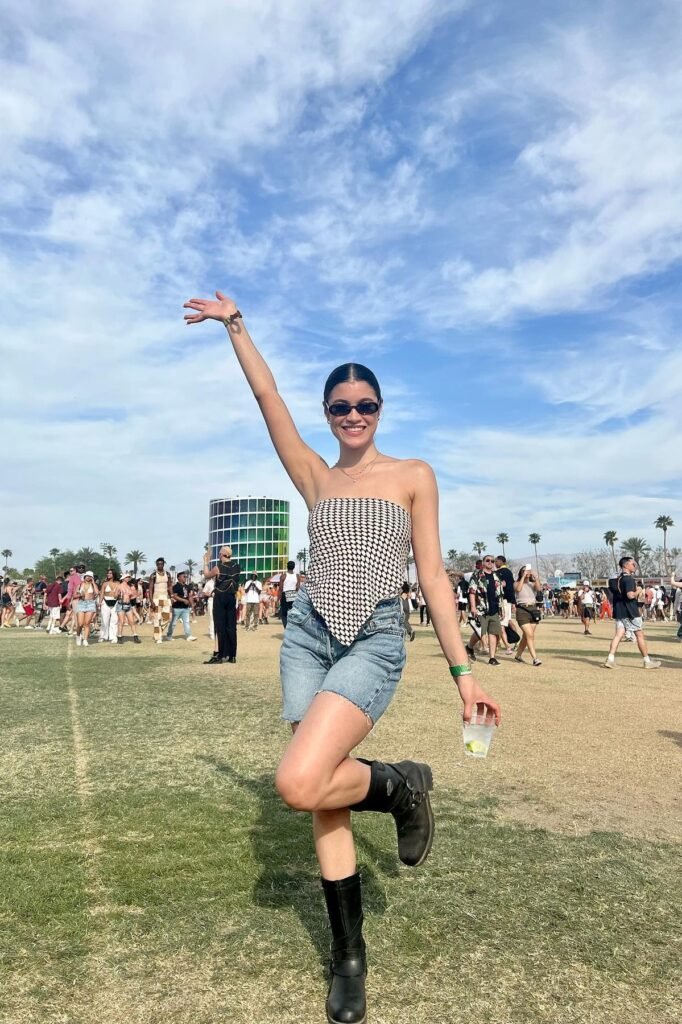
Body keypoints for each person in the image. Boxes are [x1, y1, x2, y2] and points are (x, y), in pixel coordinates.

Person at [183, 290, 500, 1024]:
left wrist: (464, 673)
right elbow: (267, 398)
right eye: (339, 408)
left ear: (381, 409)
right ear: (328, 416)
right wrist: (236, 327)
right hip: (307, 638)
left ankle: (396, 786)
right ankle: (349, 953)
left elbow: (431, 575)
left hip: (375, 637)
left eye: (364, 405)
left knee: (300, 780)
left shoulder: (413, 475)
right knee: (320, 790)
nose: (352, 416)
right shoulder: (314, 476)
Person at [603, 557, 661, 669]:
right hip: (630, 611)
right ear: (625, 565)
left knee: (619, 634)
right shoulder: (628, 579)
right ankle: (647, 661)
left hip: (620, 611)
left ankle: (610, 659)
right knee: (639, 635)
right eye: (632, 563)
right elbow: (630, 595)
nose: (635, 565)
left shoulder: (618, 579)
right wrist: (639, 589)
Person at [202, 545, 241, 664]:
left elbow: (206, 575)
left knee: (220, 626)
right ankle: (232, 655)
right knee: (231, 627)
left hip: (220, 597)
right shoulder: (237, 566)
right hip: (231, 597)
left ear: (222, 555)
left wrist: (205, 562)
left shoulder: (218, 567)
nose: (218, 556)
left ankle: (219, 654)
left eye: (219, 554)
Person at [466, 555, 506, 665]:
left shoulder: (496, 576)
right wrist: (473, 607)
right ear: (483, 562)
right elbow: (472, 591)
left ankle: (492, 658)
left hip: (494, 609)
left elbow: (500, 594)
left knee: (493, 634)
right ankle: (469, 647)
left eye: (492, 561)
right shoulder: (477, 575)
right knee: (480, 632)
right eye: (487, 560)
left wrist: (501, 609)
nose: (490, 562)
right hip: (481, 609)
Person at [514, 565, 543, 665]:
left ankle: (518, 655)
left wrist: (536, 578)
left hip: (533, 609)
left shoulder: (532, 584)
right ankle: (535, 658)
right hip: (522, 609)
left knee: (526, 637)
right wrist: (523, 577)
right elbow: (518, 589)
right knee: (530, 635)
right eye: (524, 571)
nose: (526, 572)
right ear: (521, 572)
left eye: (528, 571)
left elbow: (539, 589)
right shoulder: (517, 583)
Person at [167, 571, 198, 641]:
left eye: (185, 577)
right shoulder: (176, 586)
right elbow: (174, 596)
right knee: (173, 623)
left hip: (185, 608)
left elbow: (189, 596)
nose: (185, 578)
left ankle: (189, 636)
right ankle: (169, 635)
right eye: (184, 577)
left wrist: (191, 604)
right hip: (177, 607)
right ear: (179, 578)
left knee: (186, 622)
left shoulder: (187, 587)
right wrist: (183, 600)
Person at [149, 558, 173, 645]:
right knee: (157, 618)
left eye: (161, 564)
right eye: (158, 564)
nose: (160, 565)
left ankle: (160, 631)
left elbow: (170, 586)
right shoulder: (153, 575)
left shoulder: (168, 574)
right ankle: (158, 637)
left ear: (163, 564)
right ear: (156, 565)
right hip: (156, 598)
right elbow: (150, 589)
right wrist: (151, 601)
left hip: (166, 598)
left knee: (168, 617)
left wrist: (172, 596)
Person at [117, 573, 142, 644]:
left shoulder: (130, 586)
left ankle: (135, 636)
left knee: (132, 621)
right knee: (121, 622)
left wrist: (136, 595)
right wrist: (119, 595)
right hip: (121, 605)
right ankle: (119, 637)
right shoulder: (119, 586)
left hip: (128, 605)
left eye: (128, 577)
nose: (128, 578)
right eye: (126, 577)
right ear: (123, 578)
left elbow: (132, 596)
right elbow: (115, 595)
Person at [75, 571, 99, 646]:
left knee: (87, 623)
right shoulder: (80, 584)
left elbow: (97, 592)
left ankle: (85, 639)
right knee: (80, 623)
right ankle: (78, 635)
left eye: (90, 576)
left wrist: (93, 582)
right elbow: (75, 595)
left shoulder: (93, 585)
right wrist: (79, 595)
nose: (88, 577)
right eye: (87, 576)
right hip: (81, 603)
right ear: (84, 576)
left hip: (90, 603)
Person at [99, 568, 121, 644]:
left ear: (113, 574)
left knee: (114, 620)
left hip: (115, 602)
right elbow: (101, 593)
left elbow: (120, 593)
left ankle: (113, 637)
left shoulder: (118, 583)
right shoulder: (105, 583)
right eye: (108, 573)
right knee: (104, 620)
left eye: (110, 573)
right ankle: (103, 636)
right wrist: (100, 602)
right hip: (105, 601)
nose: (108, 574)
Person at [279, 560, 301, 629]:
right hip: (293, 594)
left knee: (284, 613)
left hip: (285, 594)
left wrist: (280, 598)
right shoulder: (297, 576)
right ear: (294, 567)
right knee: (293, 612)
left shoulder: (283, 576)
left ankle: (286, 627)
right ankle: (293, 627)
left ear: (287, 567)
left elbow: (281, 588)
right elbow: (297, 587)